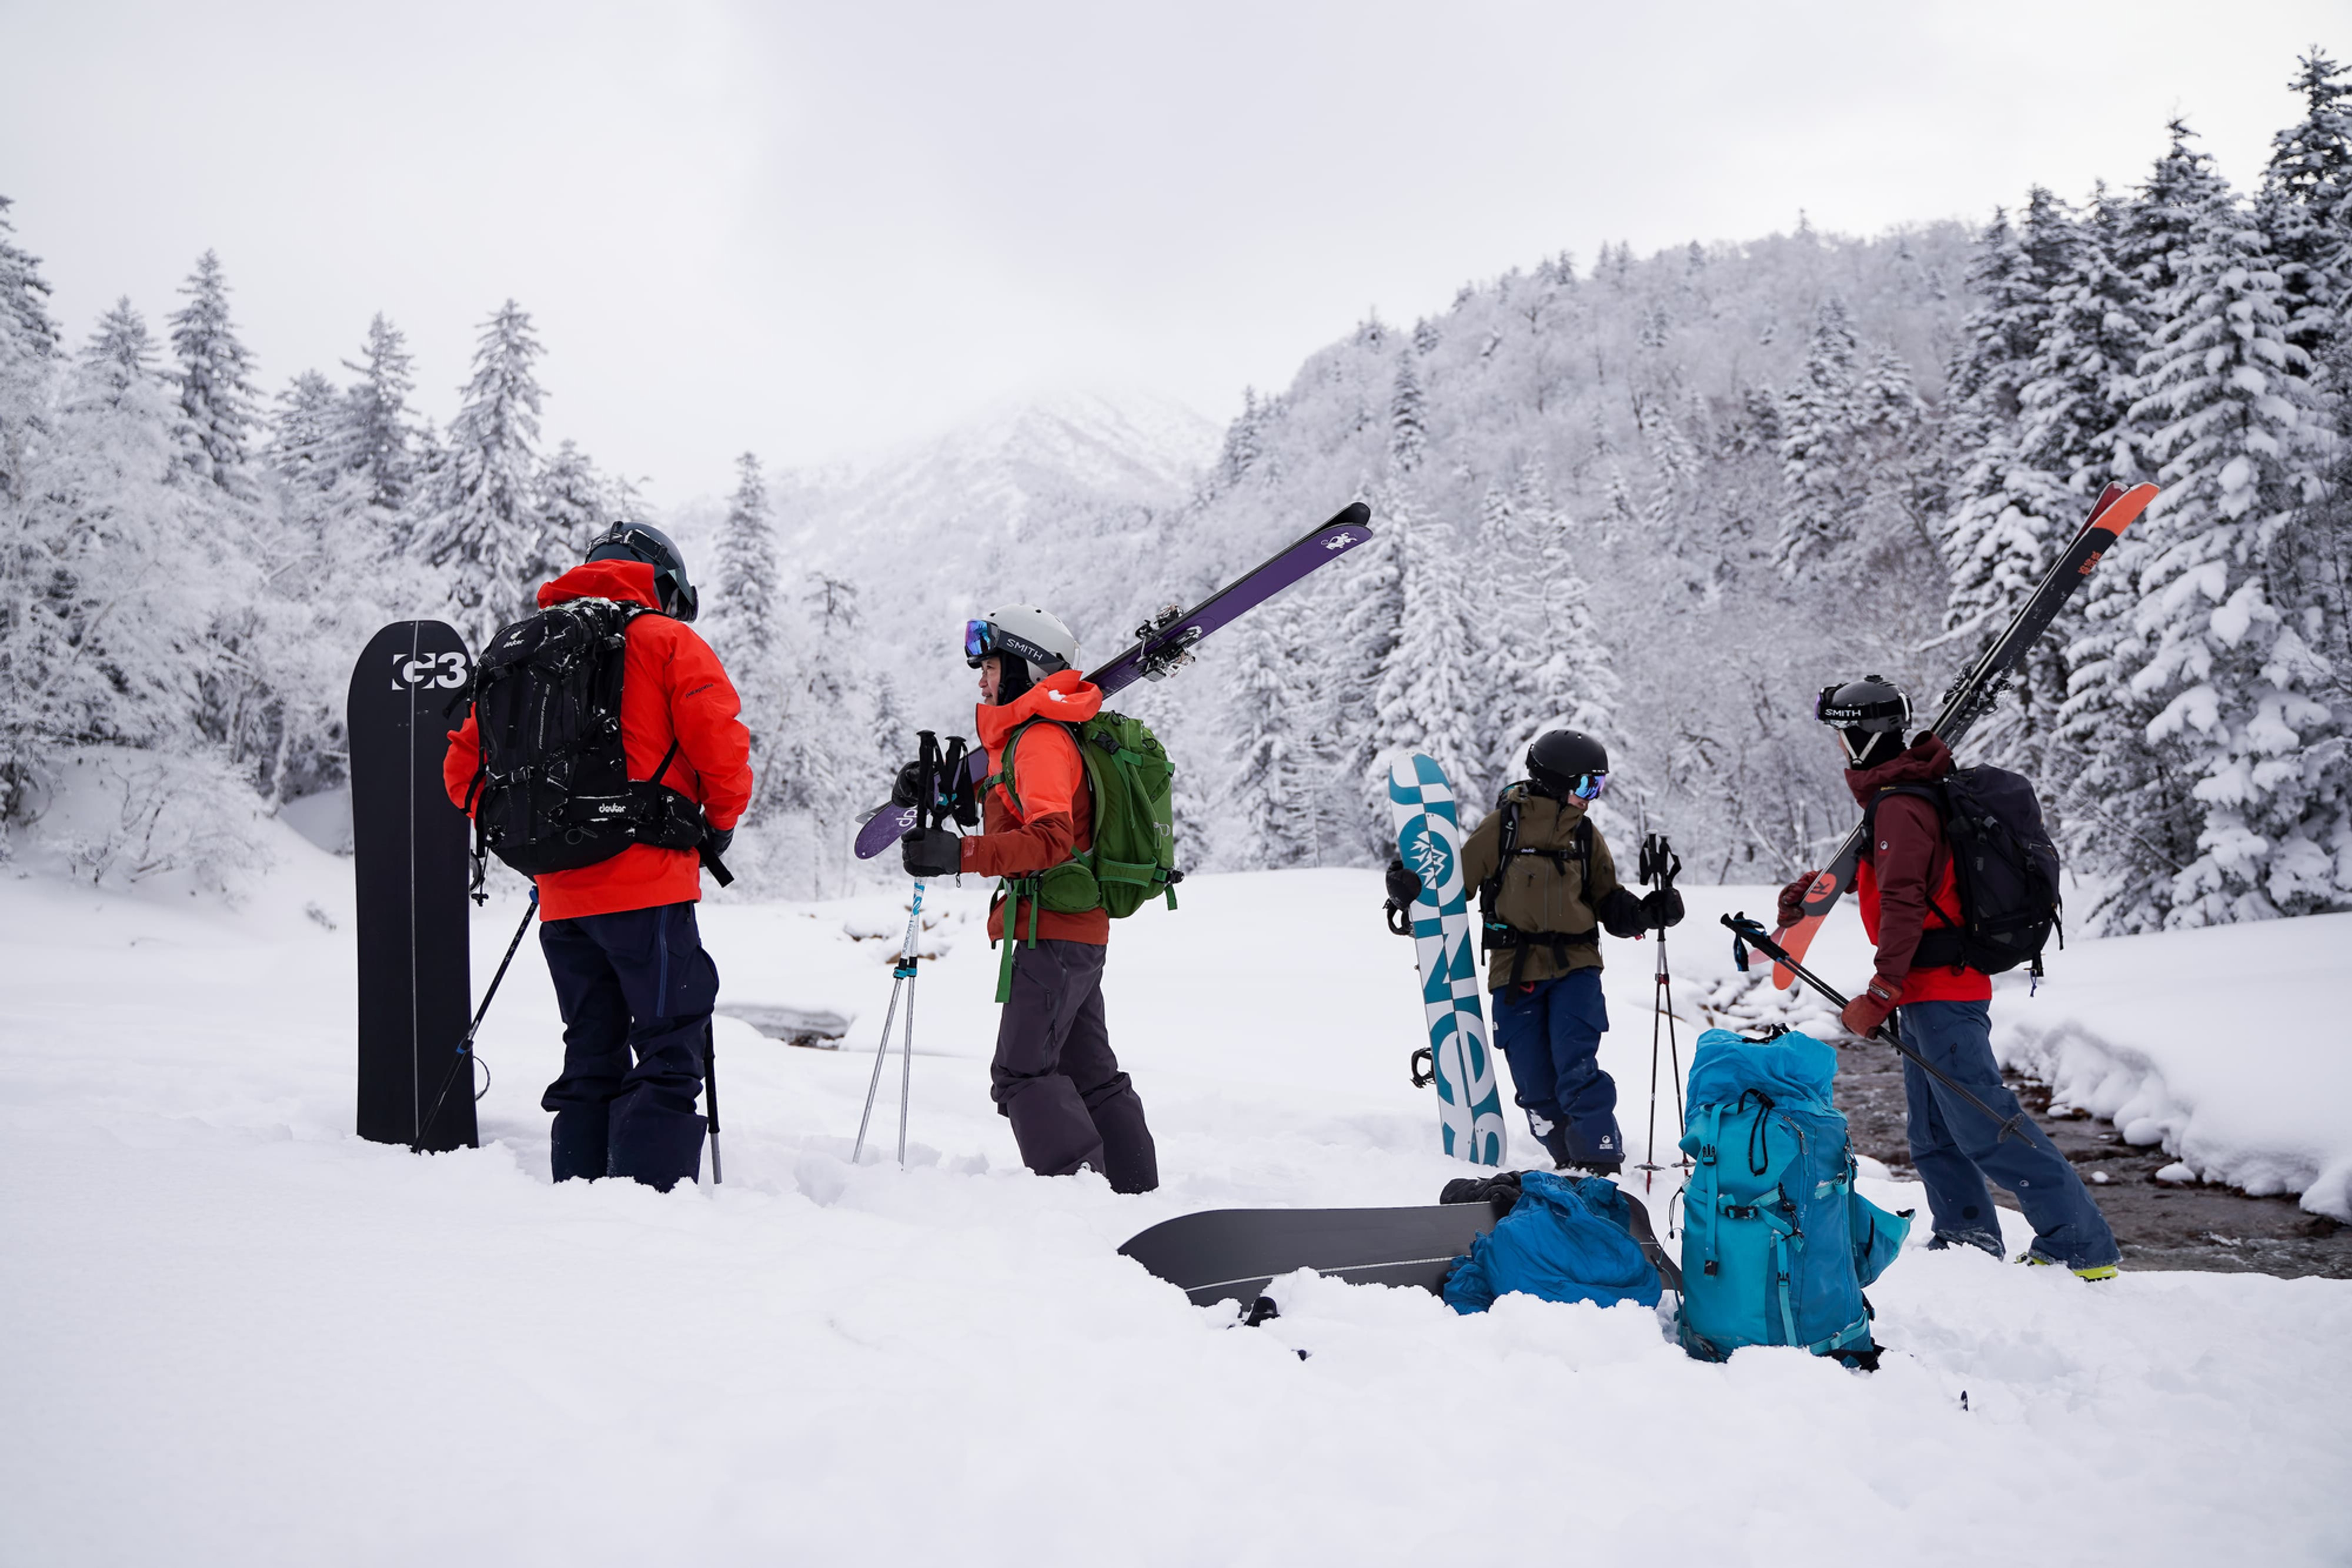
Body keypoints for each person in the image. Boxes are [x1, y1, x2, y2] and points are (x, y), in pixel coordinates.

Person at [443, 522, 752, 1191]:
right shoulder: (666, 640)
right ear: (662, 583)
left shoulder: (522, 650)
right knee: (670, 1043)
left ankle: (578, 1201)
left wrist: (540, 845)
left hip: (562, 901)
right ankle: (648, 1207)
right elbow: (721, 746)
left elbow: (462, 772)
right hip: (650, 887)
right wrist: (719, 825)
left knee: (591, 1048)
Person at [1788, 676, 2120, 1279]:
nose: (1838, 747)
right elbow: (1899, 879)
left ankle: (2080, 1244)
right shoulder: (1905, 797)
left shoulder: (1900, 805)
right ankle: (1967, 1236)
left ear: (1861, 737)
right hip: (1927, 991)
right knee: (1934, 1132)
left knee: (1985, 1124)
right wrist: (1817, 891)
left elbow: (1905, 902)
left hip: (1940, 989)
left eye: (1841, 735)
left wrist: (1880, 991)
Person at [898, 606, 1159, 1193]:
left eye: (990, 667)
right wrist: (944, 792)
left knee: (1021, 1072)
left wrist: (959, 855)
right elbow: (1016, 812)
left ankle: (1080, 1196)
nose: (982, 681)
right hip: (1070, 931)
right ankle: (1134, 1192)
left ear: (1025, 667)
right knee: (1088, 1071)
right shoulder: (1031, 737)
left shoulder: (1040, 739)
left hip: (1055, 932)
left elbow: (1049, 839)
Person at [1386, 730, 1682, 1174]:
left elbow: (1608, 902)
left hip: (1576, 969)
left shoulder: (1586, 837)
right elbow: (1451, 888)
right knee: (1534, 1084)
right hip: (1515, 972)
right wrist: (1407, 890)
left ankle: (1600, 1162)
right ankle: (1568, 1163)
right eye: (1588, 785)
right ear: (1557, 781)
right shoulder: (1501, 829)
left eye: (1599, 785)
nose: (1593, 796)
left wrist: (1645, 913)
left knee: (1577, 1068)